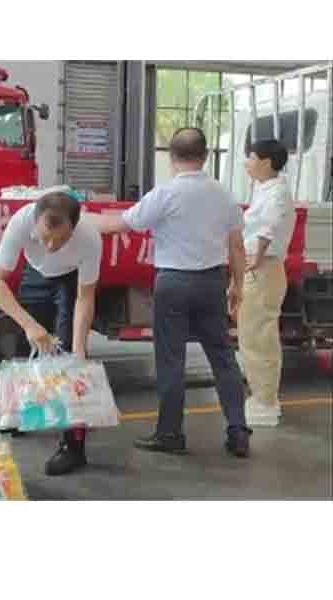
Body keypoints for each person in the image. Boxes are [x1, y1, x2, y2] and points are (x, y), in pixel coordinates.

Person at [97, 128, 252, 457]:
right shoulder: (223, 194)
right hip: (212, 282)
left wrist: (81, 218)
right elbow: (237, 246)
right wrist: (237, 286)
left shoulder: (165, 194)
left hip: (173, 284)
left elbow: (120, 224)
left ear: (171, 156)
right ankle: (238, 430)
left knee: (171, 360)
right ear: (205, 156)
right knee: (223, 357)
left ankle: (170, 433)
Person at [0, 191, 102, 476]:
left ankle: (73, 447)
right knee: (22, 346)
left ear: (74, 228)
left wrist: (78, 351)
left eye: (59, 240)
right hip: (36, 273)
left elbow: (85, 298)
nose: (50, 246)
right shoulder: (21, 221)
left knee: (67, 359)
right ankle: (18, 416)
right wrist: (28, 324)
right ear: (35, 221)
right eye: (44, 238)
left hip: (70, 280)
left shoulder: (89, 238)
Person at [239, 139, 295, 426]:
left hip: (263, 267)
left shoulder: (277, 192)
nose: (246, 163)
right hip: (259, 267)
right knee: (251, 335)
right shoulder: (265, 189)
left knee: (259, 336)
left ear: (266, 162)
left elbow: (268, 226)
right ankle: (261, 396)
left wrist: (257, 256)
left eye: (251, 158)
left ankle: (265, 403)